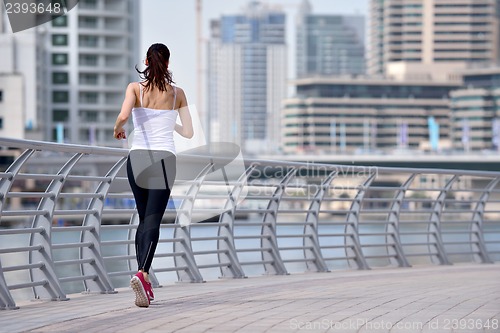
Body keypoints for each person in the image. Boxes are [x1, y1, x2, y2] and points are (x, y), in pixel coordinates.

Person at [113, 43, 194, 308]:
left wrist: (117, 129)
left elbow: (124, 116)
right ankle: (143, 274)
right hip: (163, 159)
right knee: (154, 220)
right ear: (168, 64)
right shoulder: (177, 94)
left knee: (142, 218)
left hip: (137, 158)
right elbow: (189, 133)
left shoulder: (134, 88)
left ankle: (142, 281)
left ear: (146, 61)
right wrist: (170, 122)